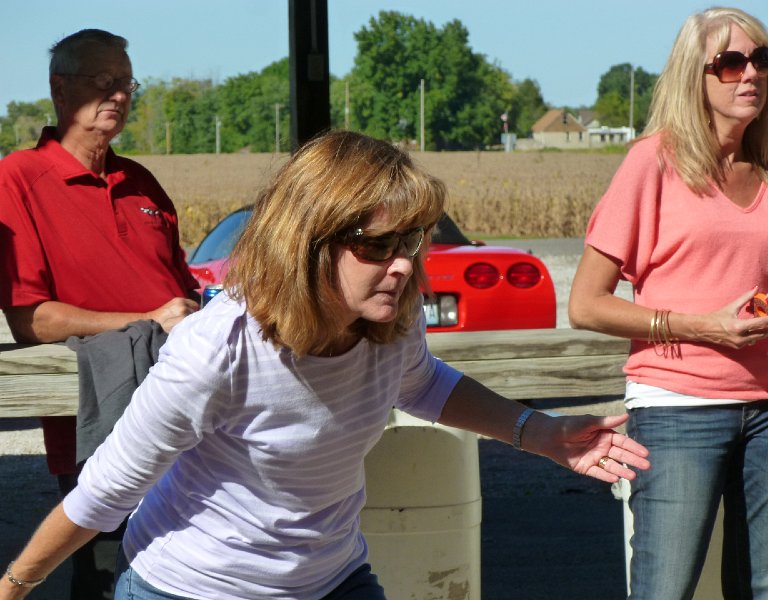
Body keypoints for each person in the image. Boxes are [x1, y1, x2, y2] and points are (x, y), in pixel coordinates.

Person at [0, 130, 650, 600]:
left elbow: (423, 384)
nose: (401, 263)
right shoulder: (218, 350)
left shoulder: (390, 323)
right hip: (194, 587)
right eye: (376, 244)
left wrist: (538, 432)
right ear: (307, 244)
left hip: (329, 577)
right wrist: (18, 582)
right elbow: (107, 489)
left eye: (410, 241)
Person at [568, 7, 768, 599]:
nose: (750, 74)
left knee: (765, 590)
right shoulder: (653, 162)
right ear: (691, 77)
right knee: (665, 588)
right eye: (729, 62)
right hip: (677, 409)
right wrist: (704, 328)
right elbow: (587, 304)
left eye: (761, 59)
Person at [0, 29, 199, 599]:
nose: (117, 95)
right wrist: (148, 319)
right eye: (102, 82)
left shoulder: (141, 182)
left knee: (192, 561)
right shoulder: (18, 178)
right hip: (107, 420)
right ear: (60, 90)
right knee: (109, 570)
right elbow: (30, 319)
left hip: (185, 408)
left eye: (126, 83)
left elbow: (183, 288)